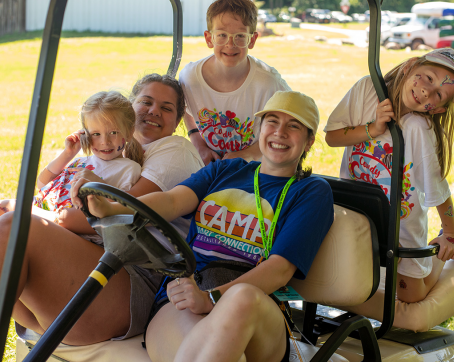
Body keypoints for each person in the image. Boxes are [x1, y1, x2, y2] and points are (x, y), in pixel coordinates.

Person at [86, 90, 335, 362]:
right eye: (272, 121)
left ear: (310, 141)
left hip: (256, 306)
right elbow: (170, 201)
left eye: (294, 126)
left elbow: (279, 269)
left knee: (241, 298)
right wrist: (112, 209)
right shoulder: (225, 170)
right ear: (259, 128)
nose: (280, 132)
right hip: (186, 291)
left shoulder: (311, 192)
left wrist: (212, 299)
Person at [0, 73, 203, 345]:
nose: (154, 111)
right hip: (93, 259)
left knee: (13, 227)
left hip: (131, 272)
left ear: (178, 121)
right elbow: (49, 186)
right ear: (130, 108)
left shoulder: (174, 149)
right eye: (146, 102)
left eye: (166, 108)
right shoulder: (107, 152)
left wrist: (34, 214)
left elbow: (120, 213)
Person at [324, 48, 454, 303]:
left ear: (437, 110)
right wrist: (374, 128)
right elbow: (332, 137)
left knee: (412, 296)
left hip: (402, 223)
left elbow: (437, 186)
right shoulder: (367, 89)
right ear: (410, 65)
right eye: (428, 77)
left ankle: (445, 247)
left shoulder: (418, 128)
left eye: (438, 95)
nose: (427, 91)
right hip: (359, 214)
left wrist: (449, 233)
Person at [0, 91, 143, 226]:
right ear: (85, 134)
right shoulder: (80, 162)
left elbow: (122, 209)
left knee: (8, 208)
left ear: (130, 132)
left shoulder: (129, 168)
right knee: (3, 207)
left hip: (68, 224)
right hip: (43, 208)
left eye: (113, 132)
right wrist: (68, 154)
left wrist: (98, 184)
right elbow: (42, 183)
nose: (105, 141)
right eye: (96, 134)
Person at [181, 0, 291, 166]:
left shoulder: (269, 83)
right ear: (209, 38)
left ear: (252, 40)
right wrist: (198, 142)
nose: (230, 45)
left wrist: (247, 154)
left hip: (255, 170)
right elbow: (184, 108)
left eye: (240, 36)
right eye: (222, 35)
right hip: (207, 167)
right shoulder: (190, 77)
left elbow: (290, 125)